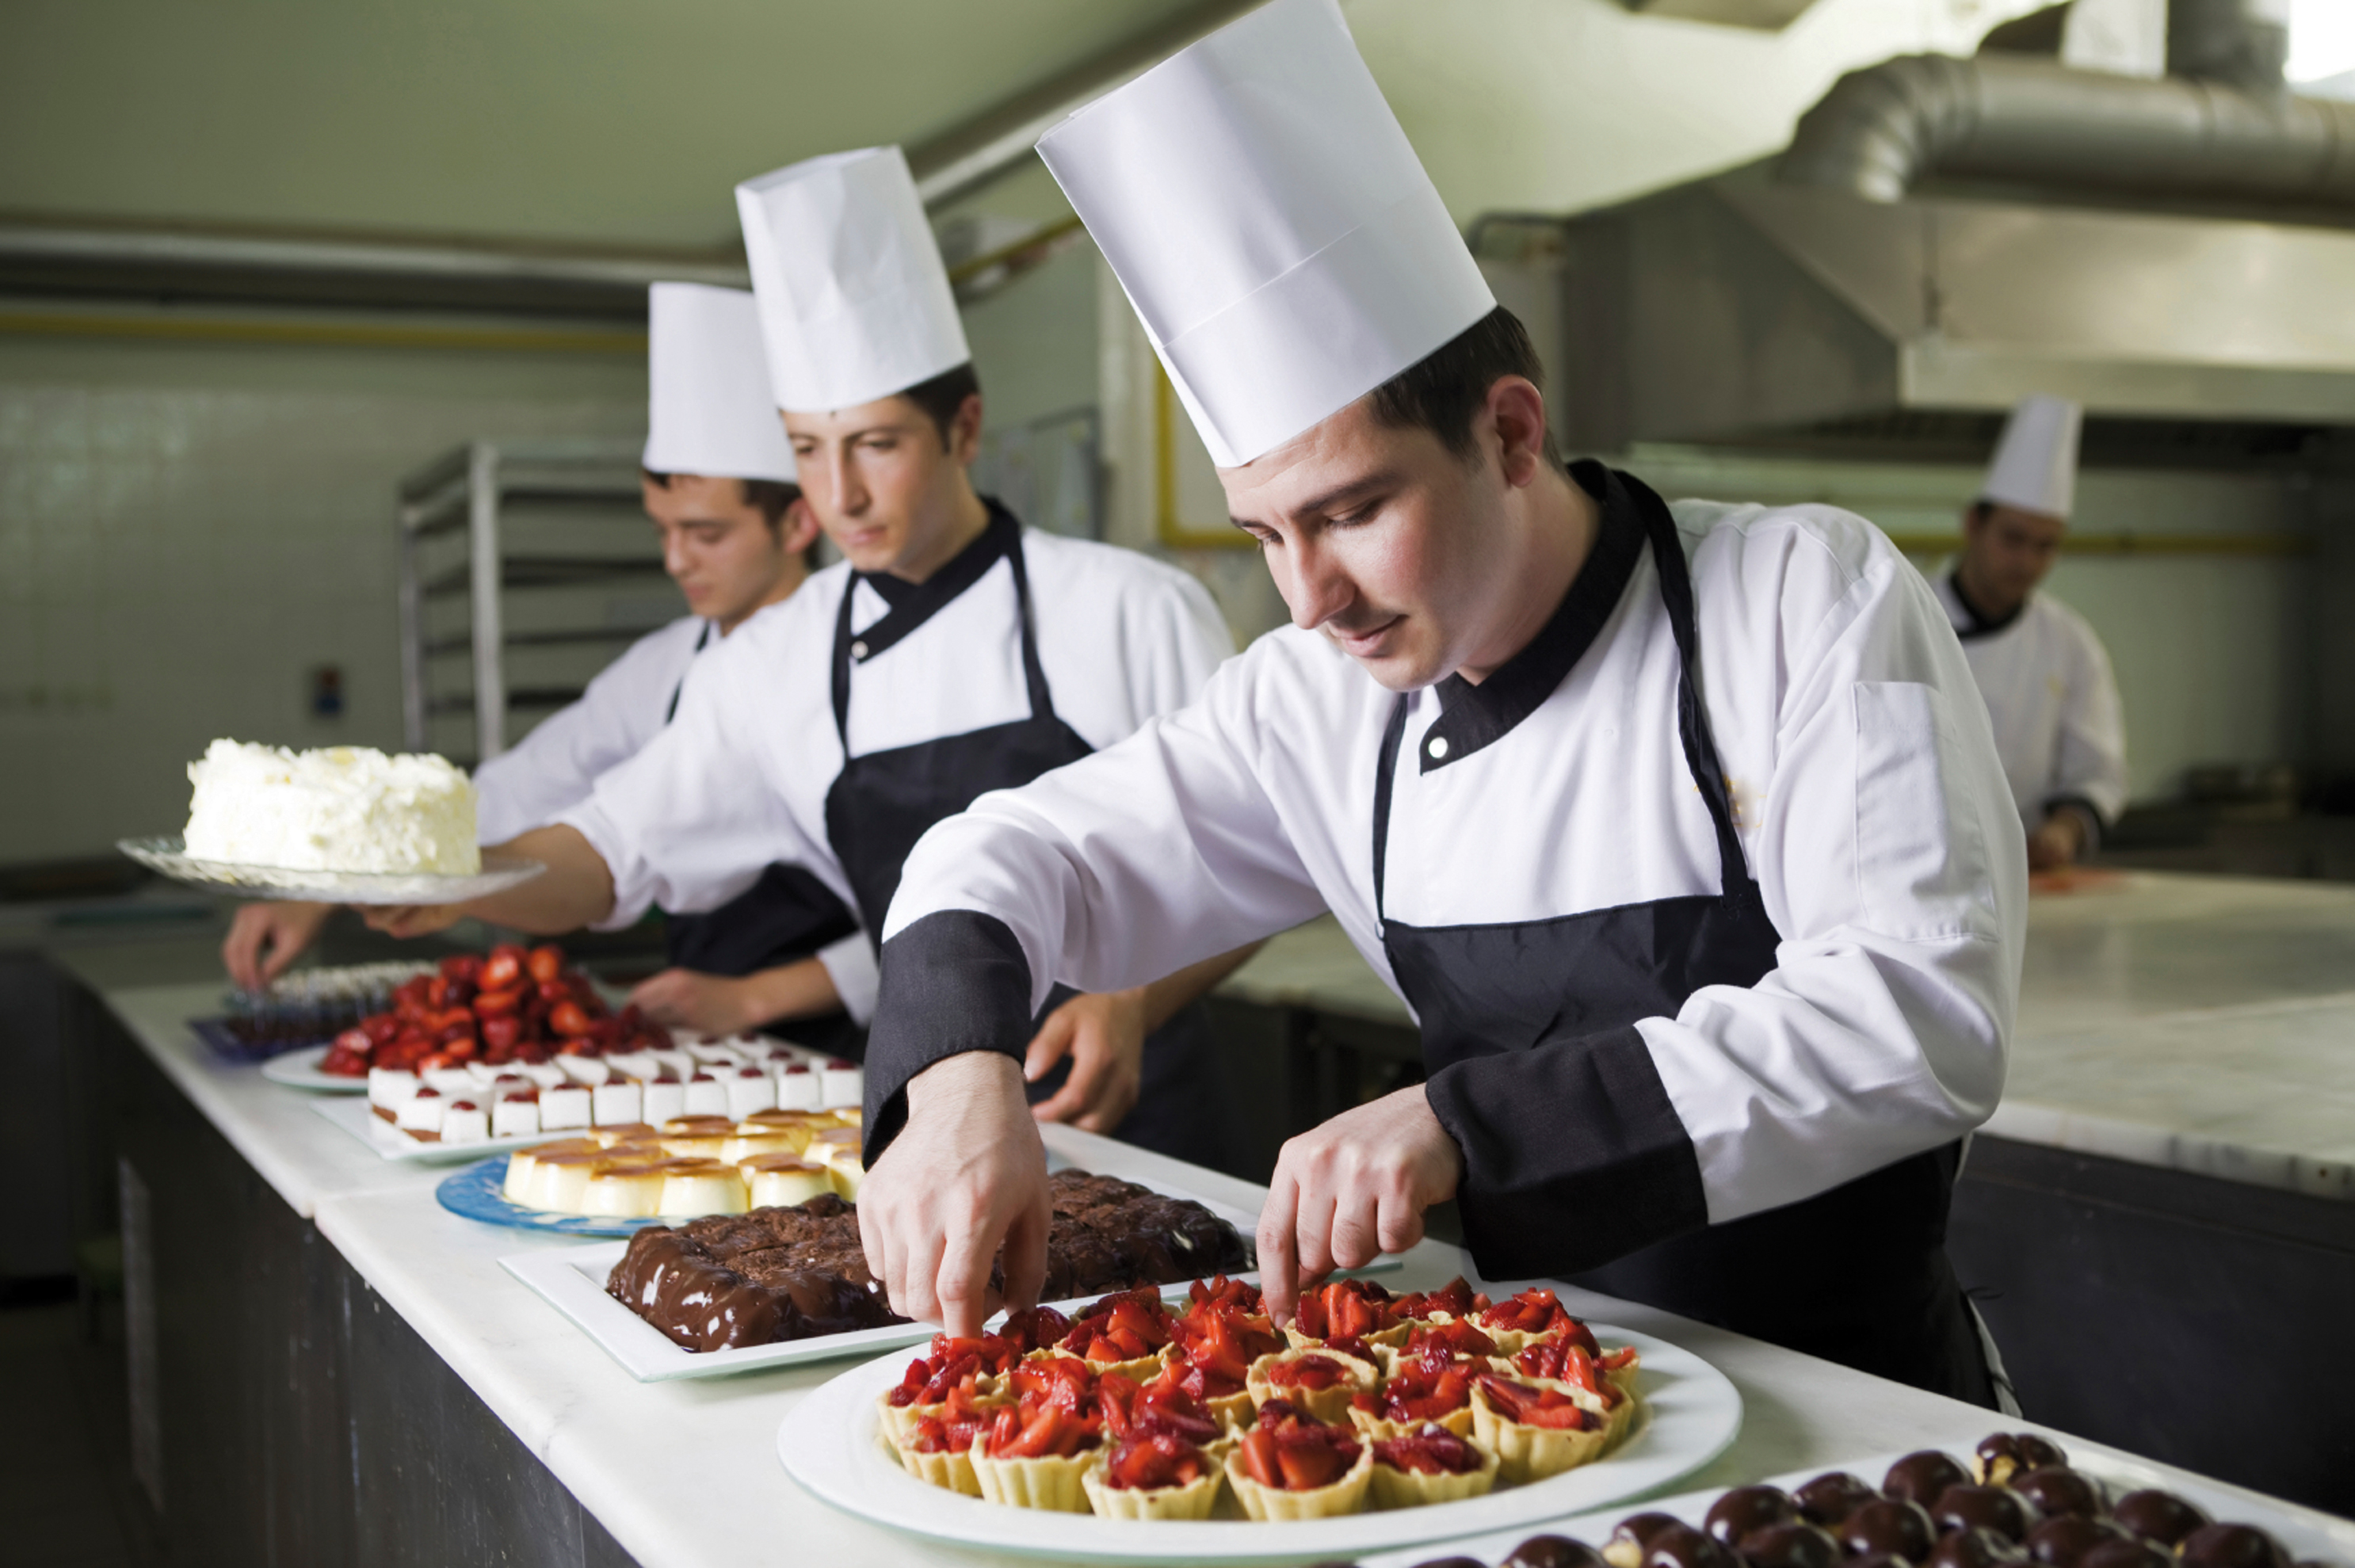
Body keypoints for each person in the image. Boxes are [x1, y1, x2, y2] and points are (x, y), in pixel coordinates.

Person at [852, 0, 2027, 1406]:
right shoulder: (1311, 703)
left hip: (1858, 1414)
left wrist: (1464, 1122)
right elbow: (1005, 852)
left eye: (1351, 511)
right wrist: (958, 1077)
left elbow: (1916, 1009)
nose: (1308, 596)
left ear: (1509, 431)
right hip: (1533, 1413)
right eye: (1264, 532)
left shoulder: (1796, 594)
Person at [367, 147, 1254, 1162]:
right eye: (806, 450)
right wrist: (454, 878)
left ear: (962, 428)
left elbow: (1254, 845)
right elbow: (611, 851)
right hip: (926, 1141)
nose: (841, 495)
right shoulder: (772, 662)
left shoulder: (1127, 606)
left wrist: (1131, 998)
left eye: (876, 444)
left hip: (1139, 1119)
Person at [223, 283, 877, 1047]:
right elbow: (532, 795)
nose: (676, 560)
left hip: (863, 1037)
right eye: (662, 531)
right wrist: (339, 880)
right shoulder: (666, 666)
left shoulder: (861, 666)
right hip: (720, 1041)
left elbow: (941, 907)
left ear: (798, 522)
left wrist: (758, 995)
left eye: (706, 534)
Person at [1936, 395, 2128, 871]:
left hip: (2023, 874)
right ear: (1974, 525)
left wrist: (2065, 831)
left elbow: (2098, 773)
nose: (2027, 562)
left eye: (2046, 546)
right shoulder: (1907, 618)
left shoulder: (2069, 642)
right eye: (2013, 539)